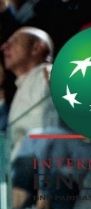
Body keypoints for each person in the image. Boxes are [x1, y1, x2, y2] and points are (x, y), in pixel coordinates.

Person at [1, 26, 57, 160]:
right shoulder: (20, 90)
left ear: (36, 48)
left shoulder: (50, 74)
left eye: (14, 41)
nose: (4, 47)